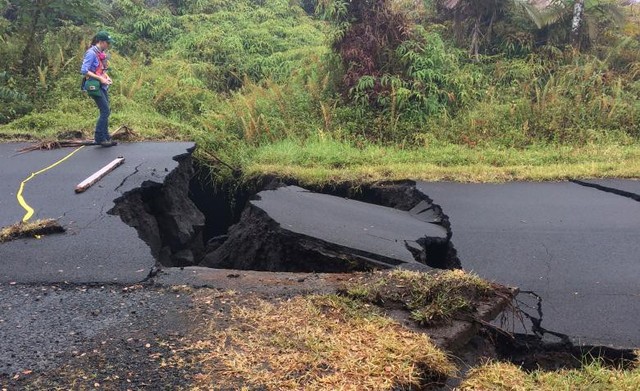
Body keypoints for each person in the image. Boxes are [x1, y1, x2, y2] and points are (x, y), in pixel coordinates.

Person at [81, 31, 117, 147]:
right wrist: (100, 79)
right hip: (94, 85)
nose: (108, 45)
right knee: (105, 111)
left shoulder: (100, 53)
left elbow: (101, 70)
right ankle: (99, 138)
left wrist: (107, 77)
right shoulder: (91, 53)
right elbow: (84, 70)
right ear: (101, 42)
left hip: (101, 85)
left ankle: (106, 137)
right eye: (107, 43)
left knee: (107, 111)